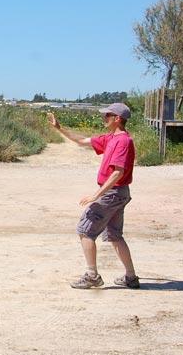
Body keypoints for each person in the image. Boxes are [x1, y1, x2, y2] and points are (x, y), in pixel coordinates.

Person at [48, 103, 140, 289]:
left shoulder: (123, 141)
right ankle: (131, 277)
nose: (104, 117)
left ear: (118, 119)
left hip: (112, 193)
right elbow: (82, 141)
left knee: (85, 231)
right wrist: (60, 128)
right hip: (117, 193)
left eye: (107, 115)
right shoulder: (110, 138)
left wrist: (95, 196)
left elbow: (118, 173)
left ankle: (92, 276)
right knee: (114, 235)